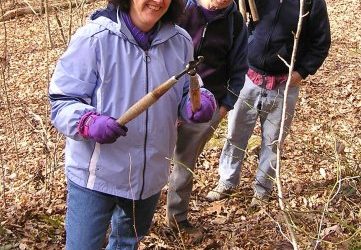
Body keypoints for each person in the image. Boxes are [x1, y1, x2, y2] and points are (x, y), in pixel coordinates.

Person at [48, 0, 217, 248]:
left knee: (127, 244)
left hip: (148, 177)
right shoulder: (94, 38)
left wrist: (198, 102)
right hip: (94, 178)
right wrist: (87, 122)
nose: (158, 1)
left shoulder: (180, 41)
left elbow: (186, 90)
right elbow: (63, 101)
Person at [206, 0, 331, 206]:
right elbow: (233, 15)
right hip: (248, 77)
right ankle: (227, 181)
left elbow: (321, 43)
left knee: (273, 142)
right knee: (234, 134)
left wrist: (301, 73)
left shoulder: (311, 2)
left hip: (284, 85)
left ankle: (263, 190)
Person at [166, 0, 248, 240]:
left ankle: (177, 219)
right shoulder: (179, 8)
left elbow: (239, 69)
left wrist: (223, 109)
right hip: (166, 100)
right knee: (146, 158)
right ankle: (128, 218)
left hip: (206, 108)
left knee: (183, 164)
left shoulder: (235, 21)